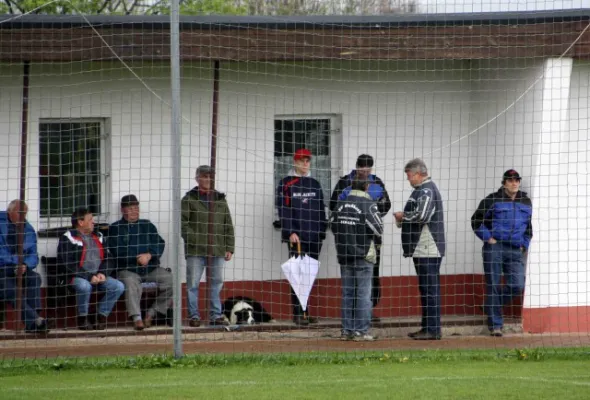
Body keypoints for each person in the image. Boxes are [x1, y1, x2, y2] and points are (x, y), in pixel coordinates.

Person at [471, 169, 533, 337]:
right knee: (493, 284)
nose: (514, 183)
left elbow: (529, 228)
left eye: (516, 180)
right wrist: (488, 238)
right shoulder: (492, 200)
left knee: (517, 285)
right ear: (504, 182)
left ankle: (491, 305)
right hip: (495, 248)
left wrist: (524, 245)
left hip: (515, 249)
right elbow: (476, 221)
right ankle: (496, 326)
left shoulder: (526, 202)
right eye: (510, 180)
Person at [330, 154, 391, 321]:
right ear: (357, 167)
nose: (366, 172)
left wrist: (371, 209)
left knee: (372, 275)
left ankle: (368, 311)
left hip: (370, 239)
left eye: (368, 169)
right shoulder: (344, 182)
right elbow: (333, 206)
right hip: (348, 239)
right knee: (350, 283)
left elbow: (387, 205)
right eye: (363, 169)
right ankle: (353, 320)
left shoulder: (377, 182)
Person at [394, 158, 445, 340]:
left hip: (428, 248)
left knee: (430, 289)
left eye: (409, 176)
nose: (408, 180)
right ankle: (427, 327)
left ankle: (432, 329)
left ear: (417, 173)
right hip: (423, 248)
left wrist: (403, 216)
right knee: (426, 288)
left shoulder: (426, 190)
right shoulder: (421, 190)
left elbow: (423, 216)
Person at [276, 148, 328, 325]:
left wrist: (322, 230)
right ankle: (298, 313)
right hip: (297, 238)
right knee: (297, 274)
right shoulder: (286, 184)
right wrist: (290, 231)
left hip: (315, 236)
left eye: (307, 161)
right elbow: (283, 210)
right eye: (302, 161)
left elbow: (321, 209)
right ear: (295, 162)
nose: (305, 164)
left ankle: (306, 311)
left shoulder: (314, 183)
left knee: (309, 275)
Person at [107, 195, 172, 331]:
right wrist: (136, 258)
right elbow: (116, 251)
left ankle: (151, 314)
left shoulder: (147, 225)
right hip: (128, 269)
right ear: (122, 210)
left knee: (171, 280)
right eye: (130, 209)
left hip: (150, 268)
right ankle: (137, 318)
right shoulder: (115, 228)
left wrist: (149, 255)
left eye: (136, 208)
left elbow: (159, 243)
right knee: (130, 283)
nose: (134, 211)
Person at [181, 166, 235, 327]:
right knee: (193, 284)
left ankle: (215, 315)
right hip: (195, 250)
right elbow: (183, 225)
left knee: (216, 283)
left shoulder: (220, 199)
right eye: (204, 176)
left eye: (210, 177)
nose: (207, 180)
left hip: (217, 249)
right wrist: (197, 240)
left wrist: (229, 247)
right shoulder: (189, 199)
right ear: (197, 178)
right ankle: (194, 316)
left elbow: (228, 225)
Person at [332, 179, 384, 341]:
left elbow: (332, 225)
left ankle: (346, 331)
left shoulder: (340, 204)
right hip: (363, 254)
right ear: (367, 187)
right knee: (363, 294)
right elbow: (378, 228)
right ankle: (361, 332)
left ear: (350, 188)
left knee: (347, 294)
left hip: (344, 253)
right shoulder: (368, 204)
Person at [57, 208, 124, 330]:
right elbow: (67, 263)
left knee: (118, 286)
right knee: (85, 286)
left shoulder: (99, 236)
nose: (94, 222)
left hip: (97, 276)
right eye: (90, 219)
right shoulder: (67, 238)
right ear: (80, 222)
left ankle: (99, 316)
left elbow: (109, 259)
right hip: (75, 277)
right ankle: (83, 318)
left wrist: (102, 273)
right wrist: (88, 276)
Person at [0, 200, 48, 333]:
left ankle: (33, 323)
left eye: (25, 214)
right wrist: (17, 262)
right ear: (10, 212)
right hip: (2, 269)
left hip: (20, 268)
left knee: (35, 278)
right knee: (13, 291)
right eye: (20, 213)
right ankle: (36, 321)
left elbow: (34, 254)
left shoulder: (28, 229)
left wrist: (26, 265)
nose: (23, 217)